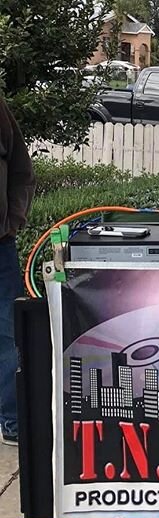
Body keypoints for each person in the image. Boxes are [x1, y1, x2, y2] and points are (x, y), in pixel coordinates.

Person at [0, 98, 35, 446]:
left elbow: (22, 172)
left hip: (0, 247)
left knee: (9, 337)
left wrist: (12, 221)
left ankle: (12, 423)